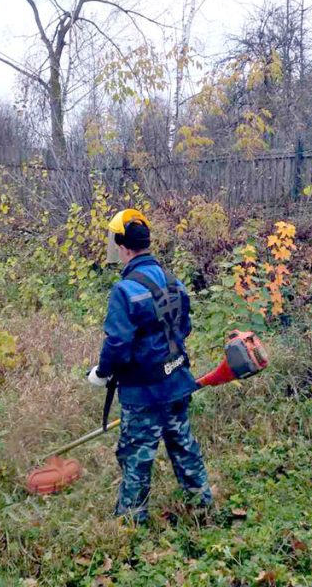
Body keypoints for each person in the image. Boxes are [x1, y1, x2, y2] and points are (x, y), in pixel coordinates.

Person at [88, 208, 213, 523]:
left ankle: (131, 523)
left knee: (136, 457)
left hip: (143, 394)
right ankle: (203, 508)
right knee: (183, 447)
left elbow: (117, 343)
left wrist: (102, 374)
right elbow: (183, 329)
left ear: (124, 247)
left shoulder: (125, 290)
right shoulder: (174, 282)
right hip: (177, 384)